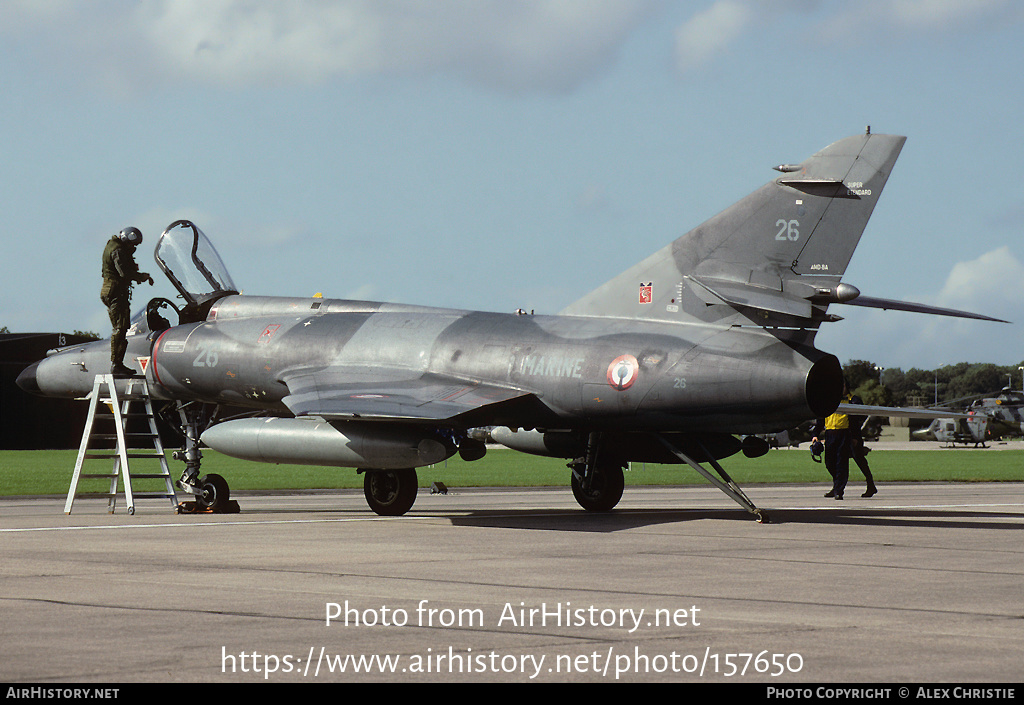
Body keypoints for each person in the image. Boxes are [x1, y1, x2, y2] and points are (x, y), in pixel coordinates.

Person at [100, 227, 153, 377]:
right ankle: (116, 365)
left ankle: (118, 364)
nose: (133, 248)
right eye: (132, 245)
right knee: (120, 328)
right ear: (126, 240)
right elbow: (125, 273)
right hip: (115, 292)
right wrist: (141, 276)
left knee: (122, 327)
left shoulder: (113, 246)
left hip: (113, 291)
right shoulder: (117, 250)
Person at [811, 378, 858, 500]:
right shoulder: (827, 400)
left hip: (844, 434)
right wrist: (815, 435)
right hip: (830, 434)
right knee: (829, 462)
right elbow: (820, 419)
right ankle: (837, 485)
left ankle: (839, 491)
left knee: (841, 463)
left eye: (841, 386)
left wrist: (855, 437)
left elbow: (855, 422)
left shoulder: (852, 400)